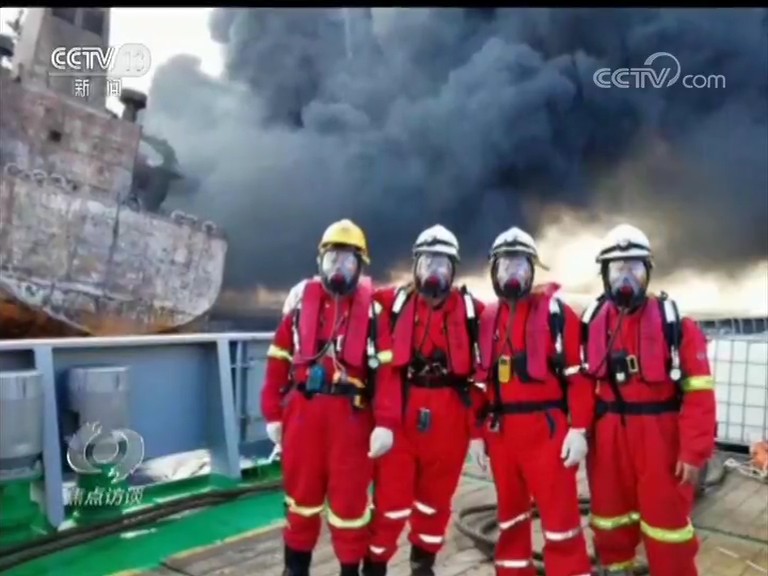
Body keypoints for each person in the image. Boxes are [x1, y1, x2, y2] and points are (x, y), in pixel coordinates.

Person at [261, 219, 402, 576]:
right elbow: (277, 361)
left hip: (351, 426)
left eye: (348, 261)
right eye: (332, 260)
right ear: (320, 262)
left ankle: (349, 570)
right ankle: (295, 570)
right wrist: (273, 413)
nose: (339, 268)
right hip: (302, 421)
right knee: (300, 502)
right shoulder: (299, 308)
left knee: (350, 508)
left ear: (360, 266)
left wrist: (386, 423)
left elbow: (387, 373)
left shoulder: (374, 315)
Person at [582, 223, 716, 576]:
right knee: (609, 518)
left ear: (648, 272)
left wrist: (693, 452)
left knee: (667, 526)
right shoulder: (592, 323)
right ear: (604, 275)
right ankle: (617, 570)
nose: (626, 279)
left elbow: (700, 395)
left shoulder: (678, 327)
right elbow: (578, 385)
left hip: (662, 441)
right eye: (617, 270)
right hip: (608, 440)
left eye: (634, 269)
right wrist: (577, 431)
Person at [468, 226, 593, 576]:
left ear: (533, 270)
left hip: (547, 433)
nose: (513, 274)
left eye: (521, 266)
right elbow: (478, 384)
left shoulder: (558, 316)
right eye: (506, 266)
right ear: (494, 271)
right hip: (502, 435)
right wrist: (475, 433)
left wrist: (579, 429)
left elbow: (579, 377)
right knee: (510, 519)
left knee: (561, 521)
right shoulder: (486, 319)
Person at [363, 225, 485, 576]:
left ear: (454, 269)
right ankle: (375, 566)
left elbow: (488, 370)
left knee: (436, 501)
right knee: (390, 500)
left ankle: (422, 565)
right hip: (403, 410)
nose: (434, 272)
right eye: (428, 262)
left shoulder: (473, 311)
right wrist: (311, 289)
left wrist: (478, 432)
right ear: (415, 265)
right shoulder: (395, 302)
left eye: (442, 264)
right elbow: (357, 294)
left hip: (450, 417)